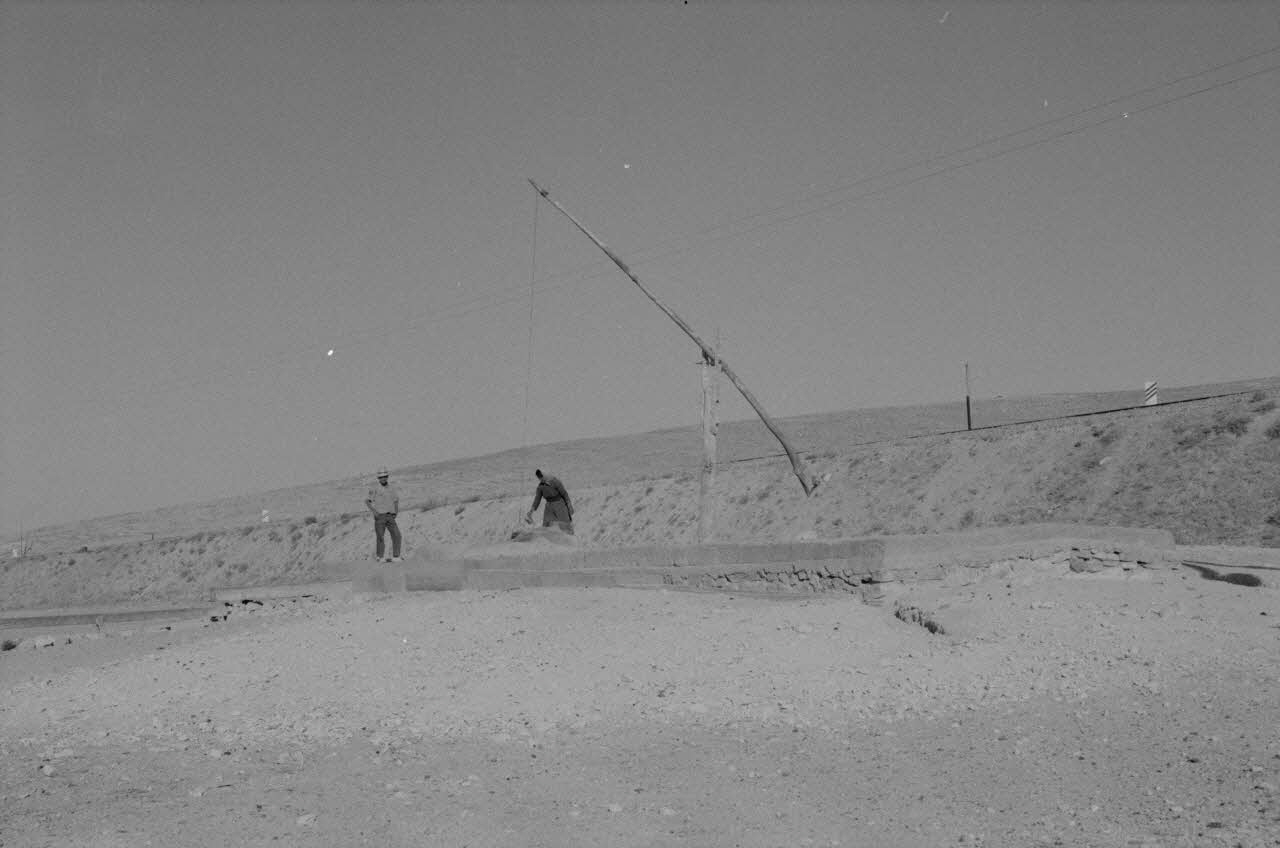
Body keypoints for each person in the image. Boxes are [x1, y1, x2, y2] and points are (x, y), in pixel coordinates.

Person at [365, 467, 402, 562]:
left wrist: (396, 511)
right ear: (378, 478)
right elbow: (367, 501)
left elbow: (396, 500)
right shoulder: (375, 488)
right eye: (381, 477)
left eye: (385, 476)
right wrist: (374, 512)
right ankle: (380, 557)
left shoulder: (391, 488)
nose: (383, 478)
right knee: (380, 537)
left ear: (387, 476)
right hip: (380, 516)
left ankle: (396, 557)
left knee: (397, 535)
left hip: (390, 516)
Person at [526, 468, 574, 534]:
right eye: (538, 477)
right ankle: (549, 540)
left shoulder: (555, 481)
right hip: (549, 506)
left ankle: (570, 537)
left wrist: (569, 505)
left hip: (559, 504)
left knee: (565, 523)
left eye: (541, 476)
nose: (540, 478)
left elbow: (564, 493)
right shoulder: (540, 486)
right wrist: (531, 511)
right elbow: (537, 499)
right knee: (546, 524)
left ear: (544, 474)